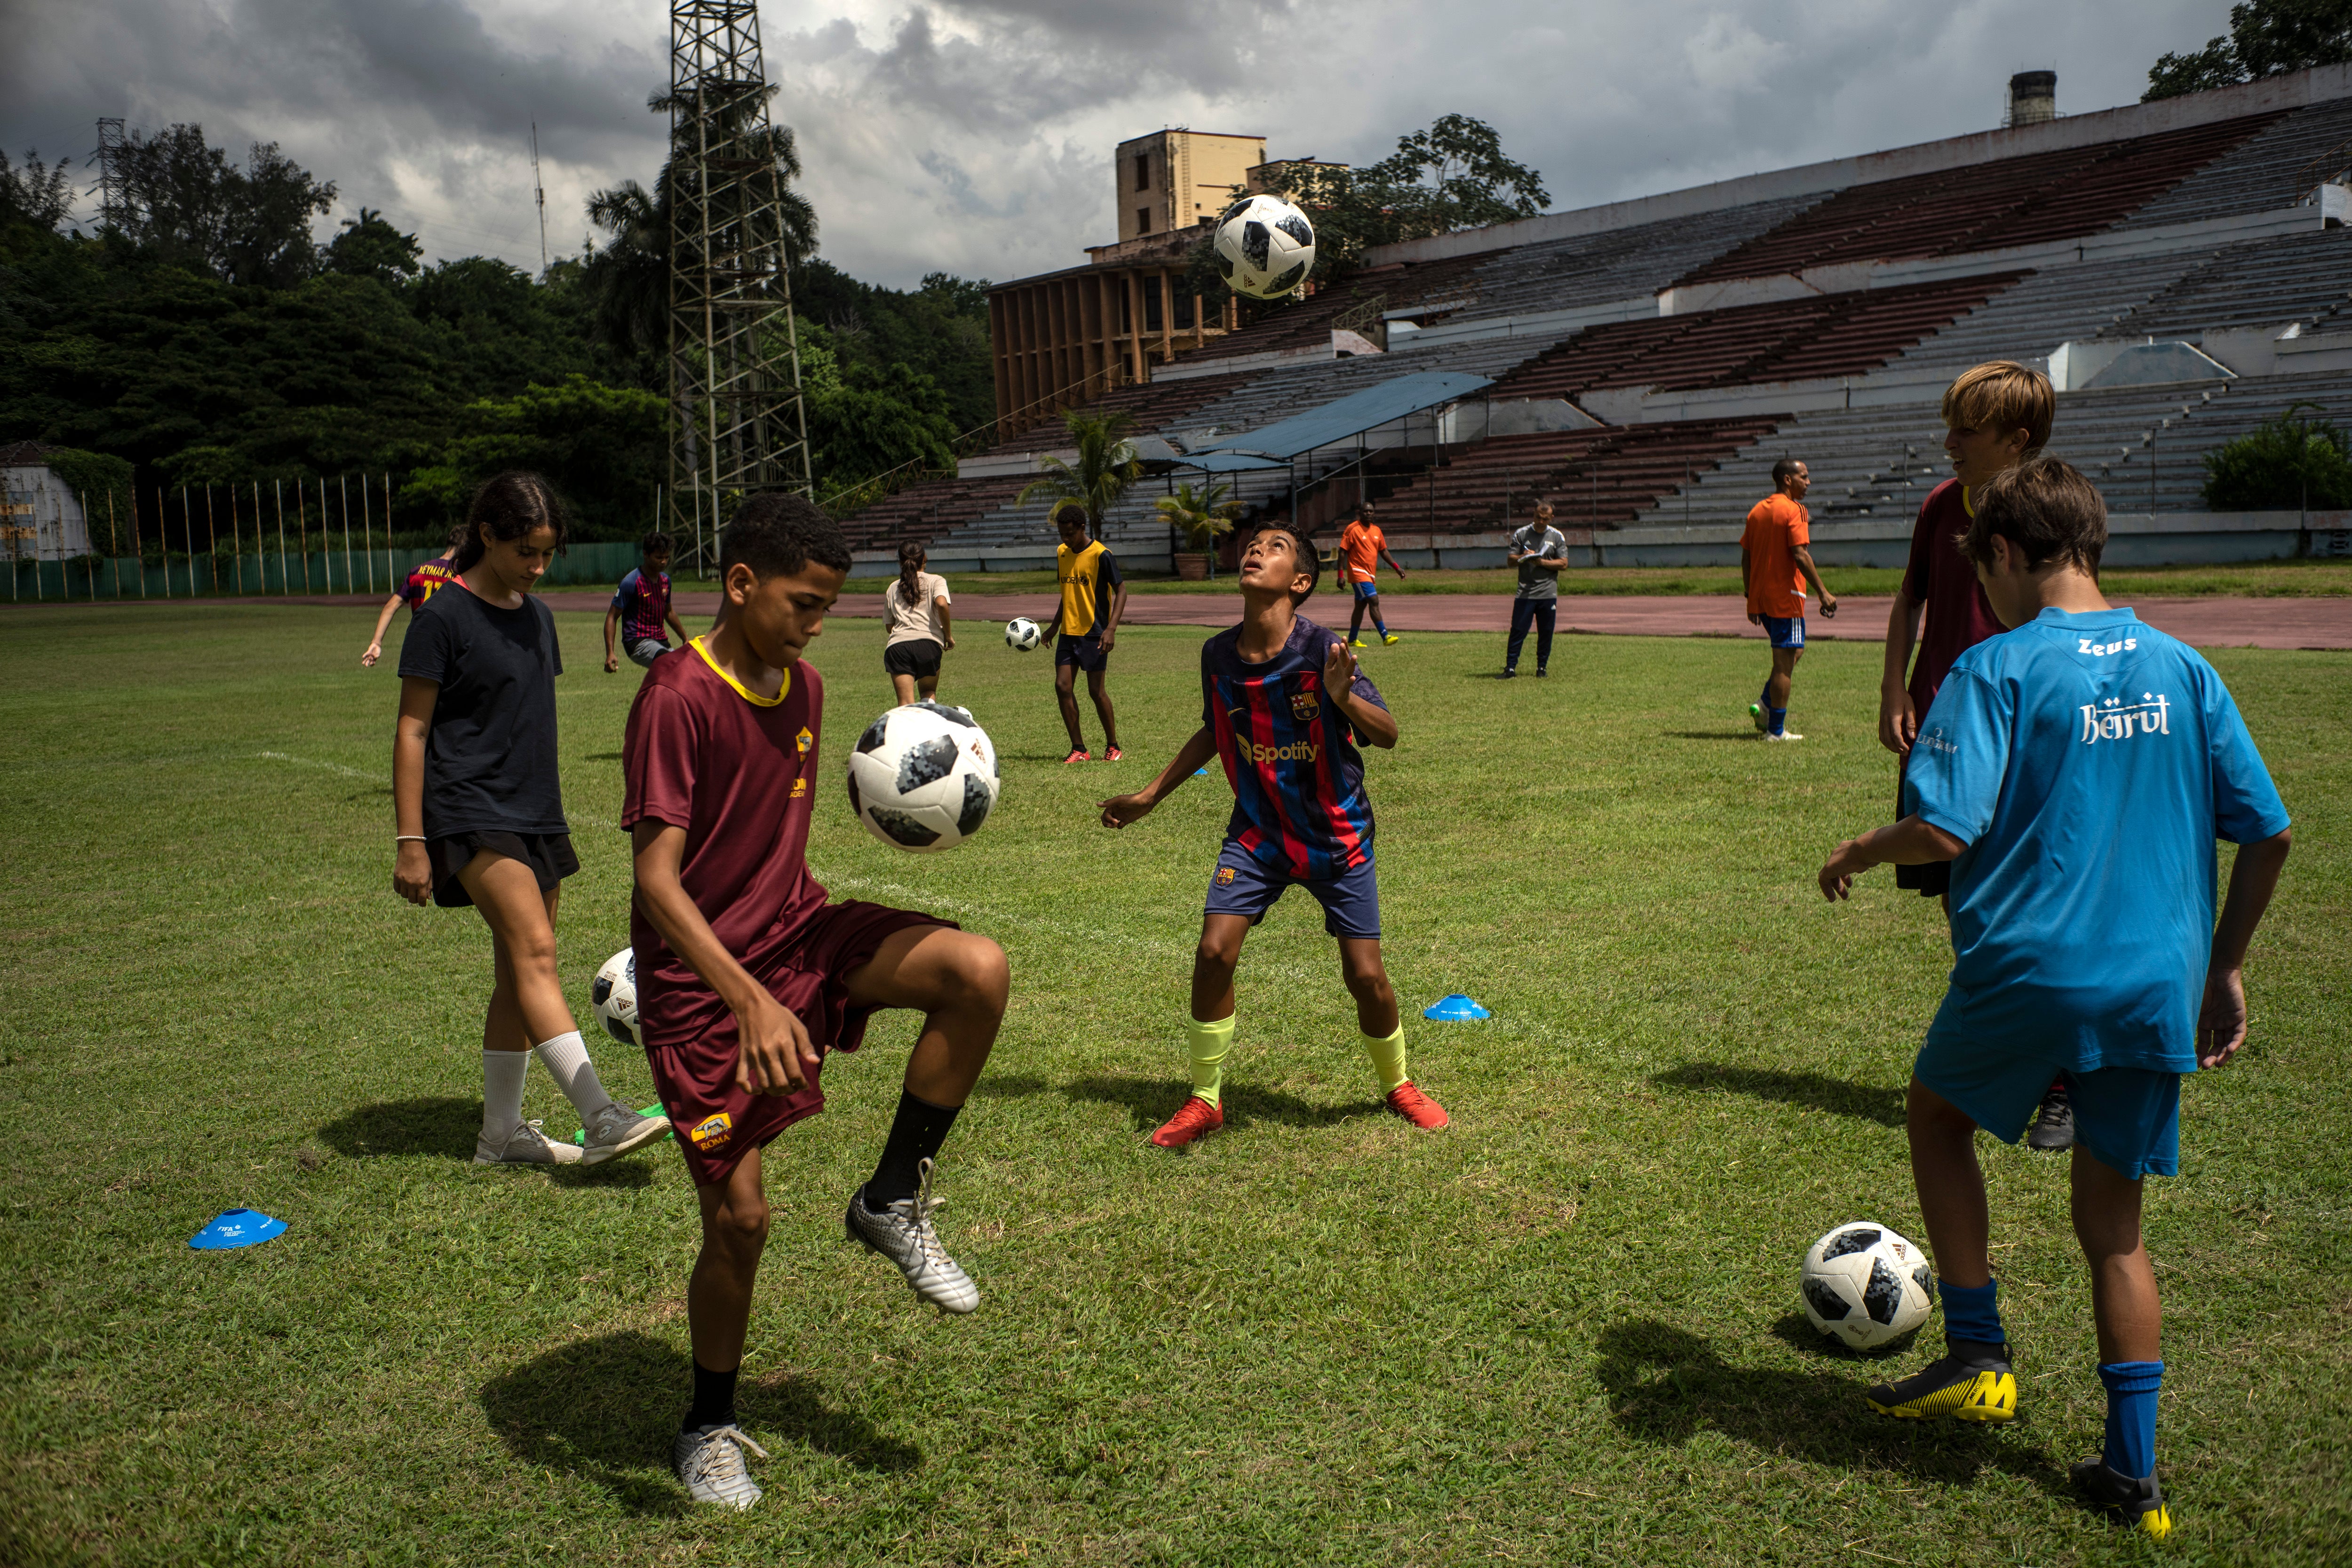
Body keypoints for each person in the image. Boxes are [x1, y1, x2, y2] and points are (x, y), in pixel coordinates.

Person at [1816, 458, 2291, 1543]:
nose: (1977, 584)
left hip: (2029, 970)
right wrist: (2221, 967)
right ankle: (2135, 1479)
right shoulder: (2182, 667)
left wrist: (1857, 845)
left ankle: (1977, 1352)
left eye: (1980, 562)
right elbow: (2268, 830)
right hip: (2151, 990)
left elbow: (1942, 831)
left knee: (1936, 1117)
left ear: (2011, 556)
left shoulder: (1994, 668)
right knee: (2113, 1230)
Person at [622, 493, 1010, 1511]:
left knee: (977, 971)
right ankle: (707, 1423)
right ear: (741, 584)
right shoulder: (675, 695)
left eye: (828, 606)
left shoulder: (803, 688)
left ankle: (889, 1198)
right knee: (740, 1220)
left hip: (797, 933)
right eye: (802, 601)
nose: (813, 623)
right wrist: (749, 1000)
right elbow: (658, 883)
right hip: (702, 987)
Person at [1097, 521, 1449, 1148]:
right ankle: (1205, 1098)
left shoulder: (1324, 650)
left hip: (1335, 834)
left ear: (1302, 582)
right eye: (1254, 545)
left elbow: (1389, 733)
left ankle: (1398, 1083)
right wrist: (1151, 794)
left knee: (1365, 975)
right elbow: (1214, 729)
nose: (1258, 551)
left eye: (1276, 548)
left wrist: (1342, 697)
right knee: (1213, 953)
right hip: (1257, 833)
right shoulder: (1217, 655)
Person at [392, 473, 669, 1169]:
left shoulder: (539, 616)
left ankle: (501, 1135)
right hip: (466, 807)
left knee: (518, 970)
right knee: (538, 954)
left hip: (535, 811)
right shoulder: (442, 617)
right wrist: (411, 841)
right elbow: (412, 731)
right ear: (487, 535)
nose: (537, 567)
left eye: (547, 554)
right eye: (525, 551)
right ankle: (600, 1113)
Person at [1881, 361, 2074, 1149]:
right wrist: (1895, 689)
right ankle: (2016, 1067)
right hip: (1947, 734)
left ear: (2015, 440)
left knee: (2026, 910)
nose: (1949, 440)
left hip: (2023, 737)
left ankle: (2063, 1081)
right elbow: (1910, 600)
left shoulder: (2048, 513)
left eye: (1966, 428)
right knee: (1966, 903)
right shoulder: (1938, 506)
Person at [1740, 458, 1837, 740]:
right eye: (1804, 477)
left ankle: (1765, 703)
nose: (1808, 483)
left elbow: (1746, 555)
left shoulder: (1757, 511)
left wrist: (1750, 594)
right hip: (1787, 597)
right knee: (1785, 661)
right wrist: (1823, 592)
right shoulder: (1795, 510)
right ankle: (1776, 731)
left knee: (1794, 651)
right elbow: (1800, 554)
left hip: (1763, 599)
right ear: (1787, 480)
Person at [1039, 502, 1125, 763]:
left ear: (1082, 528)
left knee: (1096, 692)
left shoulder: (1102, 555)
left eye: (1070, 534)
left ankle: (1113, 746)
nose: (1066, 539)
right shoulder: (1062, 553)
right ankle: (1079, 749)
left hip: (1095, 633)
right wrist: (1055, 626)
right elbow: (1068, 593)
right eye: (1062, 535)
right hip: (1068, 632)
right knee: (1062, 686)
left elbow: (1121, 590)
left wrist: (1111, 629)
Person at [361, 525, 467, 667]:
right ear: (467, 547)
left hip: (419, 643)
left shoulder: (417, 572)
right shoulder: (461, 575)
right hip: (449, 646)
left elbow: (391, 606)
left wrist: (376, 642)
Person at [605, 530, 691, 672]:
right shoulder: (631, 582)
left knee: (684, 668)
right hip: (637, 641)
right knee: (670, 664)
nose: (664, 562)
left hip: (660, 640)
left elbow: (668, 612)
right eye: (659, 558)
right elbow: (612, 617)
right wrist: (610, 653)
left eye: (667, 557)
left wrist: (685, 638)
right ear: (645, 554)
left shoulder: (665, 581)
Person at [881, 540, 954, 705]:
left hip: (898, 648)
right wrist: (948, 636)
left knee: (905, 703)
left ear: (900, 561)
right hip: (928, 645)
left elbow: (889, 627)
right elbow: (942, 604)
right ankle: (928, 729)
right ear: (925, 558)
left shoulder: (893, 587)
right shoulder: (936, 581)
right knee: (928, 692)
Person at [1503, 498, 1569, 678]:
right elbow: (1510, 561)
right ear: (1533, 515)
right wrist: (1523, 557)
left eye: (1545, 519)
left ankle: (1542, 668)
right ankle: (1510, 668)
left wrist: (1541, 562)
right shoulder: (1522, 534)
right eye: (1538, 517)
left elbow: (1563, 564)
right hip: (1525, 592)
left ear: (1552, 518)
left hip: (1548, 593)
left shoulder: (1557, 537)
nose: (1541, 522)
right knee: (1518, 630)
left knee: (1546, 632)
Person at [1339, 499, 1406, 648]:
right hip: (1358, 573)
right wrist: (1341, 576)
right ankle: (1385, 636)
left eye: (1371, 511)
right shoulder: (1352, 529)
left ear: (1374, 514)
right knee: (1374, 601)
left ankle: (1352, 639)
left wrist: (1397, 567)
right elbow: (1342, 551)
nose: (1368, 513)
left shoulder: (1377, 531)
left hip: (1370, 574)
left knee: (1361, 606)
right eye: (1365, 511)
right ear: (1360, 513)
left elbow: (1383, 551)